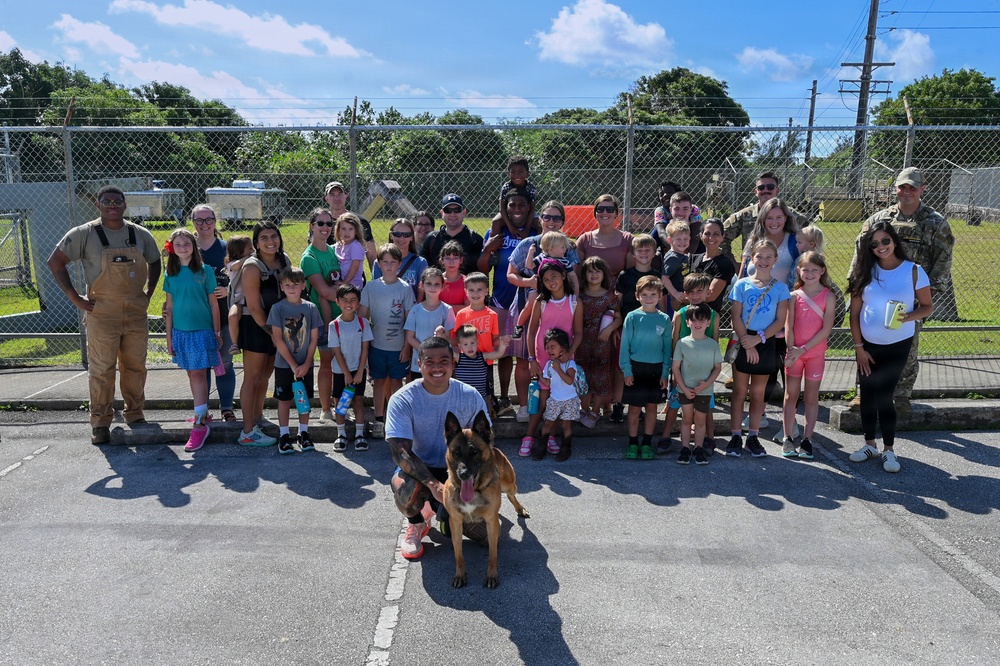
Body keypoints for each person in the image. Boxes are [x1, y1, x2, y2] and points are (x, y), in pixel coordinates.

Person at [46, 185, 162, 445]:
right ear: (98, 205)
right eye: (107, 201)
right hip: (101, 312)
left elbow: (156, 261)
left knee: (135, 366)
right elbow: (55, 262)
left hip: (135, 311)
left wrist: (149, 293)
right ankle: (100, 423)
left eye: (117, 201)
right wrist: (75, 298)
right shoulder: (83, 234)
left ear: (125, 204)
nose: (112, 205)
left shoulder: (140, 234)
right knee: (101, 370)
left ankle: (135, 414)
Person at [850, 167, 954, 410]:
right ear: (895, 188)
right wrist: (857, 286)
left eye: (912, 187)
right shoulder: (878, 221)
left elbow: (943, 261)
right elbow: (860, 255)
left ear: (922, 189)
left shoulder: (935, 223)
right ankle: (863, 392)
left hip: (913, 297)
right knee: (868, 341)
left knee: (908, 346)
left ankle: (901, 395)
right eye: (902, 187)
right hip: (877, 292)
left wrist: (929, 294)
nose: (906, 192)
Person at [387, 336, 490, 560]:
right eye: (429, 362)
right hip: (419, 470)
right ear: (419, 364)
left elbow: (486, 446)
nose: (437, 367)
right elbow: (399, 452)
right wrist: (435, 486)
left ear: (453, 363)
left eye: (443, 361)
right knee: (405, 489)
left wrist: (478, 484)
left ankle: (445, 513)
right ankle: (417, 523)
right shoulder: (403, 399)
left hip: (459, 471)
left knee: (486, 537)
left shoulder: (469, 396)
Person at [847, 222, 933, 474]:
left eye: (885, 241)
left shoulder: (914, 271)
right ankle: (869, 445)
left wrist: (906, 317)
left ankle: (889, 450)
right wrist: (859, 347)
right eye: (874, 244)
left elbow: (927, 306)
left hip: (897, 344)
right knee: (868, 395)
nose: (880, 247)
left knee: (885, 396)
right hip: (867, 346)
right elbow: (854, 315)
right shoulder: (863, 272)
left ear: (894, 241)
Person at [506, 200, 579, 423]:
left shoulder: (568, 247)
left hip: (557, 306)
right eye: (547, 217)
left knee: (555, 356)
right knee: (524, 358)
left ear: (563, 222)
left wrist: (573, 297)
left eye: (556, 218)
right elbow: (511, 274)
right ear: (540, 219)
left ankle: (554, 407)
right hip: (531, 301)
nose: (551, 222)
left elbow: (572, 275)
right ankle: (525, 406)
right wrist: (530, 283)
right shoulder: (530, 244)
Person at [726, 240, 790, 458]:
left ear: (775, 260)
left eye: (768, 257)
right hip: (744, 339)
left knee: (757, 394)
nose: (763, 261)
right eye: (759, 256)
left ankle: (752, 437)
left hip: (765, 343)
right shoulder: (742, 284)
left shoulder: (781, 288)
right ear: (752, 258)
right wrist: (747, 341)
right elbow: (736, 316)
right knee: (739, 392)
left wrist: (758, 340)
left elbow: (780, 320)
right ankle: (735, 435)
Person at [161, 228, 221, 453]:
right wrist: (169, 337)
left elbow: (214, 304)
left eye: (187, 243)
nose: (183, 247)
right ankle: (202, 410)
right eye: (178, 245)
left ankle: (199, 424)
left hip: (202, 330)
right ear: (172, 249)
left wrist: (217, 332)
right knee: (192, 373)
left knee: (197, 373)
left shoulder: (205, 271)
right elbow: (169, 307)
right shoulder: (170, 273)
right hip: (181, 332)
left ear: (194, 247)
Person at [578, 194, 635, 425]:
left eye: (610, 209)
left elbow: (630, 276)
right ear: (595, 212)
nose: (605, 212)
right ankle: (589, 405)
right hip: (590, 303)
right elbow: (578, 273)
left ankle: (613, 404)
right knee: (590, 357)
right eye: (600, 208)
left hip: (615, 303)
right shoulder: (584, 239)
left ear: (617, 213)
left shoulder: (627, 239)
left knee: (614, 357)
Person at [236, 221, 291, 447]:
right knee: (252, 378)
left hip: (277, 327)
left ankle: (257, 418)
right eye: (264, 238)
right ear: (256, 243)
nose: (270, 241)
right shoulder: (251, 267)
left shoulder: (284, 260)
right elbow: (255, 306)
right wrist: (271, 332)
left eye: (274, 236)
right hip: (256, 326)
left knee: (265, 375)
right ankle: (247, 431)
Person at [521, 260, 583, 459]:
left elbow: (579, 333)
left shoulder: (575, 302)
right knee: (542, 402)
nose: (550, 282)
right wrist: (532, 359)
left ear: (564, 276)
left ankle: (551, 438)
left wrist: (569, 352)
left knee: (559, 399)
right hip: (542, 359)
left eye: (554, 277)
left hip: (563, 362)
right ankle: (529, 437)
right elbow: (531, 333)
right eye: (546, 280)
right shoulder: (541, 301)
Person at [782, 251, 836, 459]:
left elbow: (826, 329)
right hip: (794, 354)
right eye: (806, 269)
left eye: (815, 270)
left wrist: (802, 349)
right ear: (799, 271)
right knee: (790, 395)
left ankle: (807, 439)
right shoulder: (794, 296)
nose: (810, 273)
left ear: (822, 271)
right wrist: (791, 350)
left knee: (812, 398)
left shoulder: (828, 296)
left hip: (814, 355)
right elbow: (789, 326)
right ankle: (788, 438)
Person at [659, 273, 719, 454]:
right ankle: (666, 436)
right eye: (690, 292)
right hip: (682, 368)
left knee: (706, 405)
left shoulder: (714, 315)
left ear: (707, 292)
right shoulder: (680, 314)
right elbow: (674, 339)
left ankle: (709, 438)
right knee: (674, 402)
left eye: (699, 291)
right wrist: (673, 370)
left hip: (704, 371)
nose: (695, 296)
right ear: (685, 293)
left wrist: (710, 375)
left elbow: (715, 341)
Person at [360, 244, 415, 439]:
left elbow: (410, 321)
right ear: (379, 264)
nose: (389, 266)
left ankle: (395, 416)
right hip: (377, 346)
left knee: (396, 382)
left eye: (393, 262)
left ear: (399, 264)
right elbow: (363, 317)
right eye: (385, 262)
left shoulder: (405, 288)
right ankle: (379, 418)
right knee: (379, 381)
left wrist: (407, 347)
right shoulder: (371, 287)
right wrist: (363, 348)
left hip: (398, 347)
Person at [267, 268, 322, 455]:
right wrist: (293, 365)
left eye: (295, 284)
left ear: (303, 285)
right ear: (282, 287)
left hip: (305, 364)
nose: (291, 288)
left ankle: (303, 433)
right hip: (284, 365)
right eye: (287, 285)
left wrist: (306, 363)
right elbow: (278, 339)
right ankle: (284, 435)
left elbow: (314, 339)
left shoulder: (311, 308)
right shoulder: (278, 309)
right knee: (284, 400)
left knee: (303, 401)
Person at [190, 204, 237, 423]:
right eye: (199, 220)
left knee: (224, 362)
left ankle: (227, 407)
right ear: (193, 222)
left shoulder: (227, 248)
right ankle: (204, 410)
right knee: (202, 365)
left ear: (215, 221)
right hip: (197, 317)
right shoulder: (186, 248)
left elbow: (243, 278)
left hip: (225, 314)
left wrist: (228, 290)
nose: (204, 224)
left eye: (208, 220)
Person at [619, 276, 672, 461]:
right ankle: (633, 442)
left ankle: (647, 443)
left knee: (651, 408)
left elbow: (667, 348)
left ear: (660, 296)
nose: (649, 298)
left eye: (653, 294)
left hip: (656, 370)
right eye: (644, 294)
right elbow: (625, 344)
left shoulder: (665, 319)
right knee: (634, 409)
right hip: (636, 368)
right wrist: (627, 370)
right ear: (637, 296)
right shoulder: (632, 317)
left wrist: (665, 373)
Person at [300, 208, 343, 423]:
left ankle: (342, 407)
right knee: (326, 364)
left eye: (328, 224)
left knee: (344, 365)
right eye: (320, 223)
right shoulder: (309, 257)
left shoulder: (335, 251)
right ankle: (326, 408)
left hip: (345, 317)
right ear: (312, 226)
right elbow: (324, 291)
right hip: (325, 320)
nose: (325, 227)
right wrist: (351, 299)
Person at [671, 303, 722, 466]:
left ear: (709, 322)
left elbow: (717, 368)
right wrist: (684, 388)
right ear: (687, 323)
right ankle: (685, 449)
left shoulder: (713, 345)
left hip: (705, 391)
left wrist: (706, 384)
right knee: (687, 419)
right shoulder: (682, 343)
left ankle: (698, 449)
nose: (697, 323)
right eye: (693, 320)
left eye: (702, 320)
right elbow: (676, 368)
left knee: (700, 421)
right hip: (685, 390)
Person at [721, 172, 808, 265]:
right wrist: (734, 265)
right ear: (756, 192)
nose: (765, 190)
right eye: (761, 188)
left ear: (777, 190)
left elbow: (812, 238)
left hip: (786, 272)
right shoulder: (744, 216)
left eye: (770, 187)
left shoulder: (791, 215)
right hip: (753, 271)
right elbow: (720, 237)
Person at [576, 256, 620, 429]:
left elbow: (618, 318)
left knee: (601, 377)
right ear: (584, 274)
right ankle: (584, 408)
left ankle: (595, 410)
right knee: (583, 376)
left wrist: (609, 330)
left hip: (602, 344)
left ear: (604, 274)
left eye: (598, 271)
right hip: (582, 343)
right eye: (590, 271)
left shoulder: (610, 297)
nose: (594, 275)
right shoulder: (579, 295)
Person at [330, 284, 373, 452]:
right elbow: (337, 351)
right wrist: (347, 373)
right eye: (344, 300)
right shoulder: (334, 325)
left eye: (353, 300)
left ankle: (359, 435)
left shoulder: (363, 323)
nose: (349, 303)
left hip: (358, 371)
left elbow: (365, 349)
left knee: (358, 401)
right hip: (341, 371)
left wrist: (361, 371)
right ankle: (341, 435)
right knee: (340, 402)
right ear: (337, 302)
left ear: (358, 303)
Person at [513, 230, 579, 338]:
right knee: (530, 304)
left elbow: (572, 276)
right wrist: (530, 253)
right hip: (540, 287)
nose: (565, 249)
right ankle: (519, 326)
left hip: (557, 290)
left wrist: (575, 291)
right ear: (552, 249)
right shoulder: (542, 257)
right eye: (562, 247)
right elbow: (529, 265)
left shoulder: (564, 261)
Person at [404, 268, 456, 379]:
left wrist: (442, 337)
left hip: (439, 364)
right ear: (422, 285)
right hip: (419, 363)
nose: (433, 287)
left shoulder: (447, 310)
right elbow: (410, 337)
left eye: (437, 284)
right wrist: (425, 352)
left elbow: (449, 337)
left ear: (442, 286)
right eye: (429, 284)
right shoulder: (415, 310)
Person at [536, 328, 579, 462]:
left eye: (553, 347)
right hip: (554, 399)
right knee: (548, 423)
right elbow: (548, 382)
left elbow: (569, 380)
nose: (549, 350)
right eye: (547, 347)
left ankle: (565, 449)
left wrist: (558, 369)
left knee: (566, 425)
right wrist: (539, 376)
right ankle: (541, 447)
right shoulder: (549, 364)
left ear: (563, 348)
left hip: (569, 400)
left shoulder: (570, 364)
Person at [452, 323, 510, 413]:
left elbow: (498, 354)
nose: (470, 347)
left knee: (482, 423)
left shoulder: (482, 356)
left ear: (477, 343)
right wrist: (440, 337)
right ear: (460, 346)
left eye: (472, 343)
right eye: (465, 344)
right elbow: (446, 350)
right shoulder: (458, 357)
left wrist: (503, 344)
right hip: (462, 398)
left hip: (480, 398)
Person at [421, 193, 484, 275]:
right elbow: (424, 272)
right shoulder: (432, 239)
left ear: (464, 212)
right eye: (448, 210)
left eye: (457, 210)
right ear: (442, 213)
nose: (452, 214)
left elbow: (482, 273)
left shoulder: (475, 239)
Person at [689, 218, 737, 325]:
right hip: (688, 315)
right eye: (707, 233)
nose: (711, 238)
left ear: (722, 236)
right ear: (701, 236)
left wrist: (681, 299)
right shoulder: (693, 259)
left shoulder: (724, 264)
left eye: (716, 234)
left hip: (707, 319)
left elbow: (711, 296)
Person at [324, 181, 376, 267]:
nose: (337, 198)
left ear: (346, 196)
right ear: (326, 199)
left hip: (354, 276)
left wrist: (376, 279)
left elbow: (371, 255)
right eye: (332, 195)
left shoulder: (359, 221)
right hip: (328, 274)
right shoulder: (322, 222)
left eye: (340, 194)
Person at [374, 218, 428, 301]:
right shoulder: (379, 262)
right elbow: (376, 289)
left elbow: (422, 291)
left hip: (411, 310)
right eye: (398, 234)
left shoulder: (420, 262)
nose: (402, 238)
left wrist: (415, 311)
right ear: (391, 236)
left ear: (412, 237)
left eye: (406, 235)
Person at [489, 155, 540, 240]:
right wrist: (511, 227)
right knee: (496, 221)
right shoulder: (506, 187)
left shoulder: (531, 188)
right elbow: (502, 209)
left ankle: (541, 247)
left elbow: (532, 210)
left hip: (526, 214)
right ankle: (493, 248)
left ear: (527, 173)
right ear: (508, 174)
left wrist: (527, 229)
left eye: (521, 171)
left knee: (540, 223)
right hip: (509, 214)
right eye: (513, 172)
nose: (517, 175)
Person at [223, 235, 253, 358]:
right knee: (233, 315)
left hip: (251, 297)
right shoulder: (232, 264)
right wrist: (249, 257)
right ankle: (234, 343)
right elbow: (237, 265)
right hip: (238, 299)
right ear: (239, 251)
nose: (253, 251)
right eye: (250, 248)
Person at [660, 220, 692, 313]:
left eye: (685, 239)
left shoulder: (682, 255)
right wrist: (675, 293)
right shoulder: (673, 257)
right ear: (670, 240)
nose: (682, 242)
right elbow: (665, 278)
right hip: (678, 297)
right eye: (678, 239)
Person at [333, 212, 366, 289]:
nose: (347, 232)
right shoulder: (339, 245)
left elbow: (355, 266)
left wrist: (345, 283)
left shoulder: (355, 246)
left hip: (353, 285)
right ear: (338, 230)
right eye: (343, 229)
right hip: (342, 281)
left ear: (356, 231)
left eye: (350, 229)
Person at [438, 241, 468, 309]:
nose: (451, 262)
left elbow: (468, 308)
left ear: (461, 260)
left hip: (459, 319)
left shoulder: (466, 282)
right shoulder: (436, 280)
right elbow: (431, 304)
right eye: (448, 258)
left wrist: (444, 308)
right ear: (442, 260)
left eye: (455, 258)